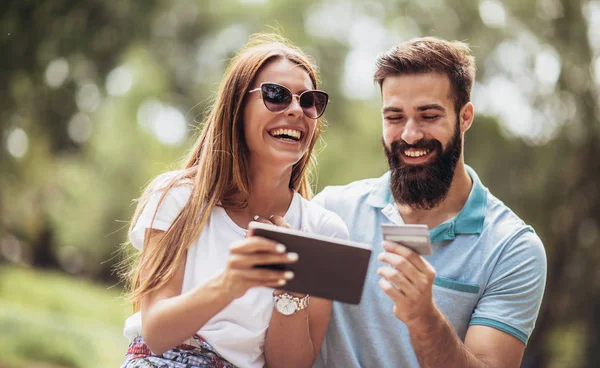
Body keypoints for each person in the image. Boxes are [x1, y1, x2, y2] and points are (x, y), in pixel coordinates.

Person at [313, 37, 547, 368]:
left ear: (465, 117)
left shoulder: (511, 248)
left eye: (428, 115)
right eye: (394, 117)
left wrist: (423, 317)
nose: (410, 134)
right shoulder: (334, 212)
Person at [119, 33, 349, 368]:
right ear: (237, 109)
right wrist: (232, 282)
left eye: (309, 100)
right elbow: (156, 332)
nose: (296, 110)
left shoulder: (323, 232)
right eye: (276, 95)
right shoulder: (179, 197)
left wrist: (292, 289)